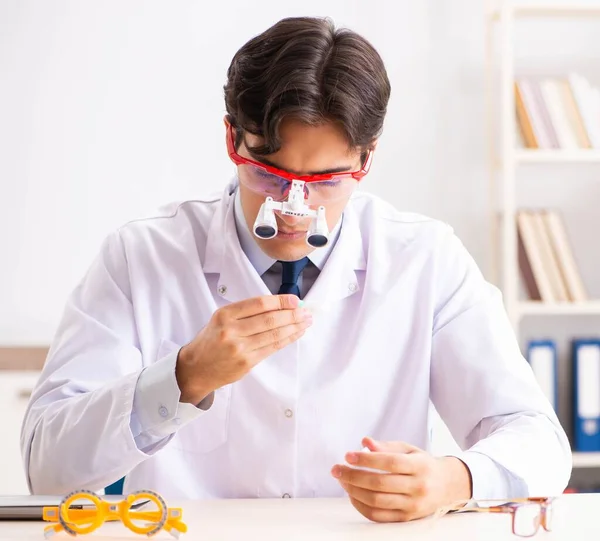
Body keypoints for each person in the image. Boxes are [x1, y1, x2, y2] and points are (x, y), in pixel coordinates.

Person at [21, 16, 571, 523]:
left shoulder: (425, 259)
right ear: (234, 140)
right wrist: (184, 378)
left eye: (327, 181)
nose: (293, 208)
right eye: (269, 173)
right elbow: (48, 466)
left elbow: (538, 439)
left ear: (367, 158)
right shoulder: (140, 257)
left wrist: (457, 478)